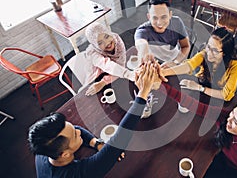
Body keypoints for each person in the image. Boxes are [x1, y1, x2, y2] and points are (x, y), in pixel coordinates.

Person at [28, 62, 157, 178]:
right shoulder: (81, 173)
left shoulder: (43, 150)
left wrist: (97, 144)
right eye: (74, 135)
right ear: (65, 154)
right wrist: (143, 93)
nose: (78, 131)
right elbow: (120, 139)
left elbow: (76, 130)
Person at [154, 80, 237, 178]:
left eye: (235, 122)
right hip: (219, 160)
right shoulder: (225, 117)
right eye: (232, 113)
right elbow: (195, 105)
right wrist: (160, 86)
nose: (228, 119)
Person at [161, 27, 237, 101]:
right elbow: (189, 66)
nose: (209, 53)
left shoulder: (235, 65)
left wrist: (200, 88)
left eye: (215, 50)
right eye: (208, 47)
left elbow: (226, 95)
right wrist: (164, 72)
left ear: (225, 53)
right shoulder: (204, 54)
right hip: (200, 85)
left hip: (215, 96)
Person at [134, 0, 190, 67]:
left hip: (174, 59)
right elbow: (141, 44)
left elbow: (185, 46)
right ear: (149, 17)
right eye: (155, 18)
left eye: (163, 17)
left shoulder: (177, 22)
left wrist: (175, 62)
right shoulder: (142, 30)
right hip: (153, 62)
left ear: (170, 15)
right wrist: (144, 53)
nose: (159, 23)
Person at [84, 22, 135, 96]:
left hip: (115, 74)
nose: (107, 43)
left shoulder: (116, 39)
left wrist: (104, 82)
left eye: (106, 37)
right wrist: (127, 74)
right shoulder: (92, 53)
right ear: (95, 45)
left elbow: (121, 65)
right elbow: (106, 65)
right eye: (100, 43)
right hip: (95, 80)